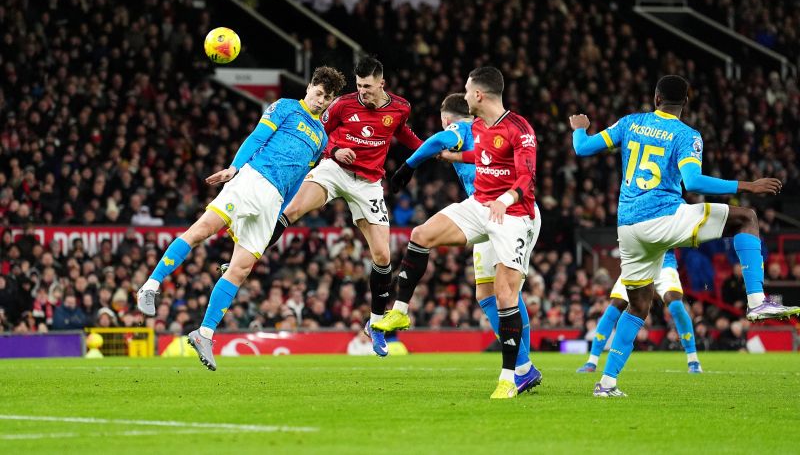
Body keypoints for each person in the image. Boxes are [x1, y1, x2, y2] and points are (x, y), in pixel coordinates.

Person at [570, 74, 800, 398]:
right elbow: (692, 181)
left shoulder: (630, 123)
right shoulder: (686, 134)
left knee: (636, 307)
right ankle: (757, 301)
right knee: (746, 218)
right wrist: (746, 186)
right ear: (687, 102)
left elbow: (581, 148)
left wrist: (579, 126)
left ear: (655, 98)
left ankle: (606, 384)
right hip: (664, 218)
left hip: (628, 228)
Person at [135, 66, 347, 371]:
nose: (321, 101)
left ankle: (204, 333)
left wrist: (280, 212)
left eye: (327, 98)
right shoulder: (286, 106)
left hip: (272, 201)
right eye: (318, 93)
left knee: (241, 268)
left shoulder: (321, 136)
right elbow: (257, 136)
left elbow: (298, 179)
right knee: (202, 230)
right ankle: (151, 285)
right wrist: (234, 167)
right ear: (310, 87)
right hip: (252, 179)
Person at [374, 67, 539, 399]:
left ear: (479, 94)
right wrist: (450, 158)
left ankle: (511, 376)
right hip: (480, 205)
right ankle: (400, 312)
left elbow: (526, 177)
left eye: (466, 90)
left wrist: (505, 199)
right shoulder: (478, 127)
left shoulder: (520, 129)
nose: (463, 96)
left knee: (506, 295)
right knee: (421, 234)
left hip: (515, 214)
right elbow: (484, 153)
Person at [264, 56, 422, 357]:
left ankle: (375, 325)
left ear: (382, 84)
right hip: (334, 170)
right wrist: (336, 149)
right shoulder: (342, 105)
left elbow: (401, 131)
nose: (363, 91)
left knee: (383, 255)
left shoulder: (400, 107)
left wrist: (426, 149)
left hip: (369, 183)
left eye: (369, 86)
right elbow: (318, 133)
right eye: (360, 85)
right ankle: (250, 253)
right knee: (293, 210)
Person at [576, 250, 703, 374]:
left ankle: (693, 360)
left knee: (675, 305)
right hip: (636, 264)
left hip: (664, 263)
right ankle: (592, 361)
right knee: (616, 305)